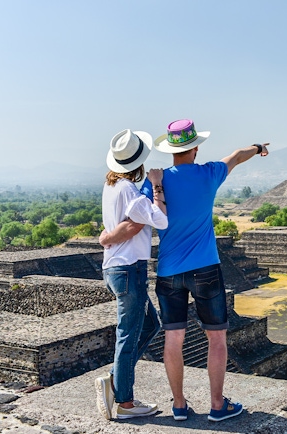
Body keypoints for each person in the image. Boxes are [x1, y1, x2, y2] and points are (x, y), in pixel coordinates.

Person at [101, 119, 269, 423]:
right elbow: (237, 155)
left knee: (173, 339)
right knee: (216, 339)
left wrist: (107, 237)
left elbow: (132, 217)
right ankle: (217, 405)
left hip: (168, 272)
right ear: (195, 147)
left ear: (170, 148)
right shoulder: (210, 173)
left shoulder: (156, 181)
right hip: (206, 267)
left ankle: (179, 405)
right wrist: (258, 148)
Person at [95, 129, 168, 420]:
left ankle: (115, 379)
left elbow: (126, 228)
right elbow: (160, 221)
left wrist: (111, 236)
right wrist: (158, 187)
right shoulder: (129, 191)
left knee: (150, 325)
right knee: (127, 335)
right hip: (129, 269)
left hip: (115, 268)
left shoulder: (110, 187)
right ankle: (124, 402)